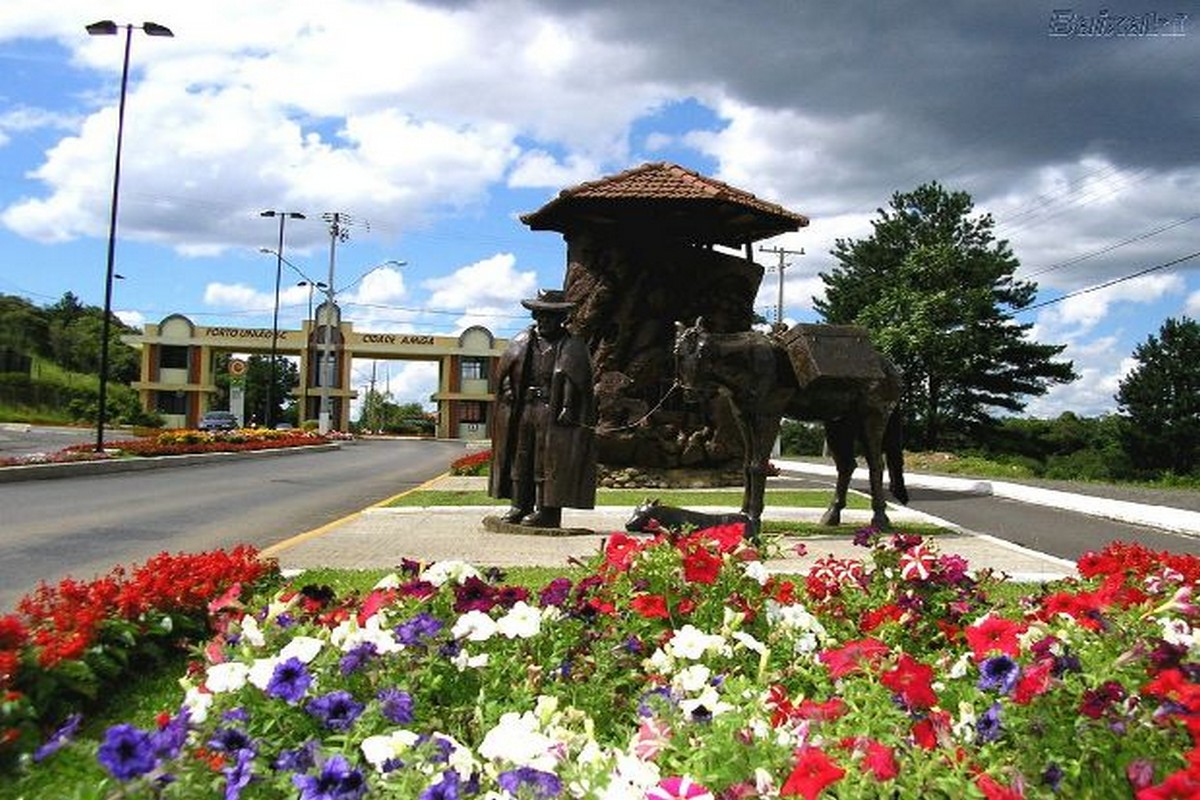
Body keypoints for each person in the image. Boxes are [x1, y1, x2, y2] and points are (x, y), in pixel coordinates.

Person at [488, 289, 596, 527]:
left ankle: (547, 510)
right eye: (541, 315)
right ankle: (519, 505)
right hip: (523, 407)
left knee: (547, 460)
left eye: (551, 316)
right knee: (521, 455)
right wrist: (507, 389)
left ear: (561, 319)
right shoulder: (521, 342)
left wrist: (568, 406)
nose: (544, 320)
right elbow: (504, 373)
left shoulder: (571, 346)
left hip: (552, 410)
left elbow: (576, 381)